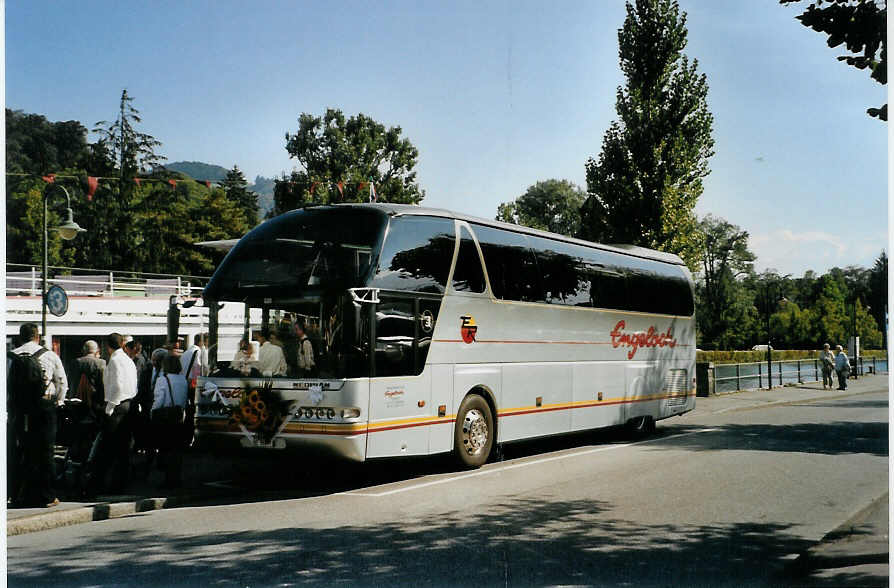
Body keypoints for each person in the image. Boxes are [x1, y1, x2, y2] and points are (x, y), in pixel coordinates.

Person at [11, 323, 68, 508]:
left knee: (19, 451)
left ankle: (17, 494)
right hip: (44, 408)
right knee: (45, 451)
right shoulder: (49, 355)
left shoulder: (10, 356)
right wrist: (58, 401)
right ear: (37, 336)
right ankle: (47, 496)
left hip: (19, 410)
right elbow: (62, 383)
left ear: (20, 336)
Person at [86, 332, 138, 496]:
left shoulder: (115, 361)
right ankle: (120, 484)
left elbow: (117, 386)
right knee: (123, 449)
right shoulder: (128, 360)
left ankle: (98, 485)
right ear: (122, 343)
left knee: (106, 448)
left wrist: (109, 408)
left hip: (117, 406)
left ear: (107, 346)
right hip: (129, 404)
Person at [152, 354, 189, 488]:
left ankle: (167, 479)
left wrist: (153, 412)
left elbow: (159, 400)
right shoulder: (183, 380)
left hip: (165, 416)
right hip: (178, 416)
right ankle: (175, 478)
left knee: (165, 448)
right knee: (176, 450)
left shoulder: (163, 379)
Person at [74, 340, 106, 416]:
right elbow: (103, 383)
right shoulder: (101, 362)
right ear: (97, 350)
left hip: (78, 399)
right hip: (96, 399)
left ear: (84, 349)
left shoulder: (76, 362)